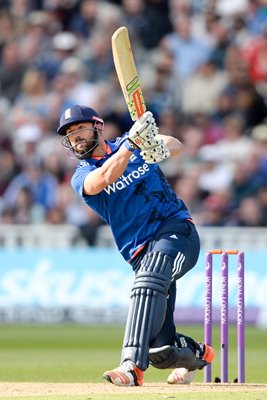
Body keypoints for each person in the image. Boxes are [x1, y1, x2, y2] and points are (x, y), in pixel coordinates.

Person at [57, 104, 215, 386]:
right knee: (162, 352)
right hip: (141, 252)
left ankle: (131, 366)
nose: (75, 137)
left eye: (79, 128)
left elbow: (175, 144)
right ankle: (198, 354)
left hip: (176, 231)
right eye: (69, 134)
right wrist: (131, 146)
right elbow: (103, 179)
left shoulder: (131, 143)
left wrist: (158, 147)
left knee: (149, 278)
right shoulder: (81, 174)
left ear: (98, 126)